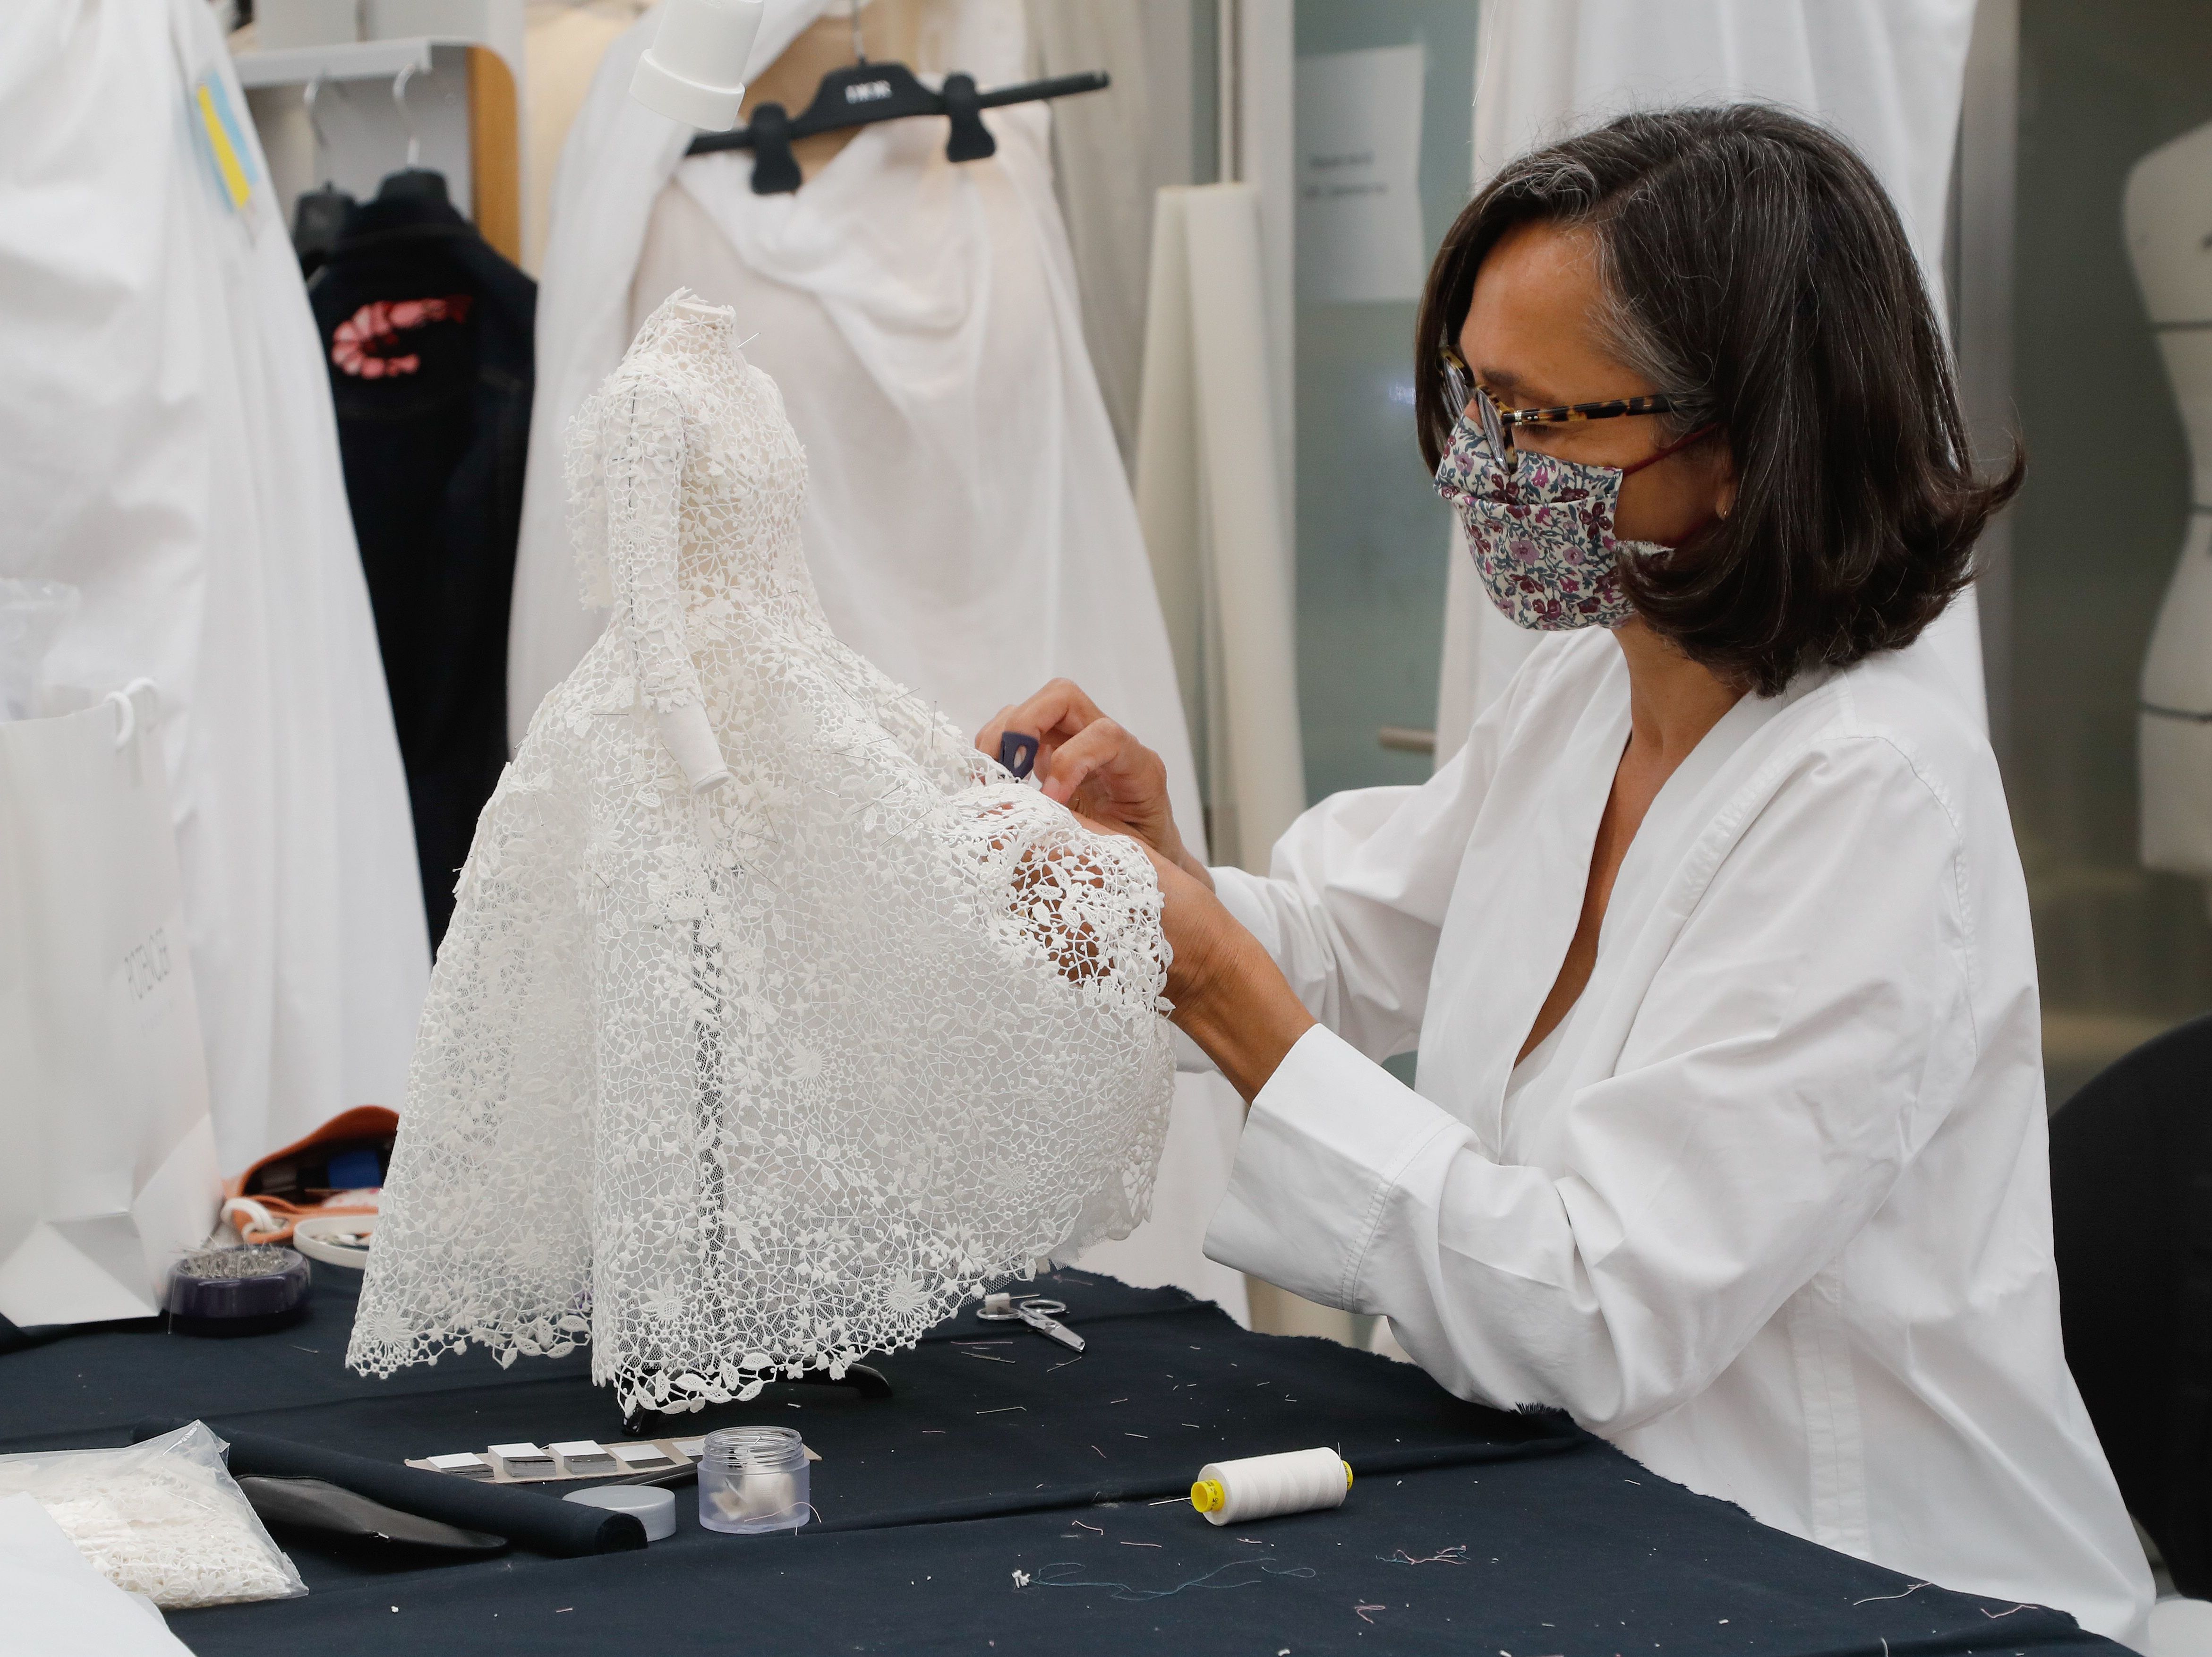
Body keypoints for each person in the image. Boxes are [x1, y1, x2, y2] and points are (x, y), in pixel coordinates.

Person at [980, 106, 2153, 1644]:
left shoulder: (1871, 797)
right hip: (1597, 1533)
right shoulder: (1593, 689)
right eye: (1472, 397)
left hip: (1875, 1589)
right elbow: (1345, 940)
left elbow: (1594, 1308)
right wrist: (1152, 870)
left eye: (1537, 422)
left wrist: (1204, 968)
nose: (1476, 466)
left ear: (1737, 446)